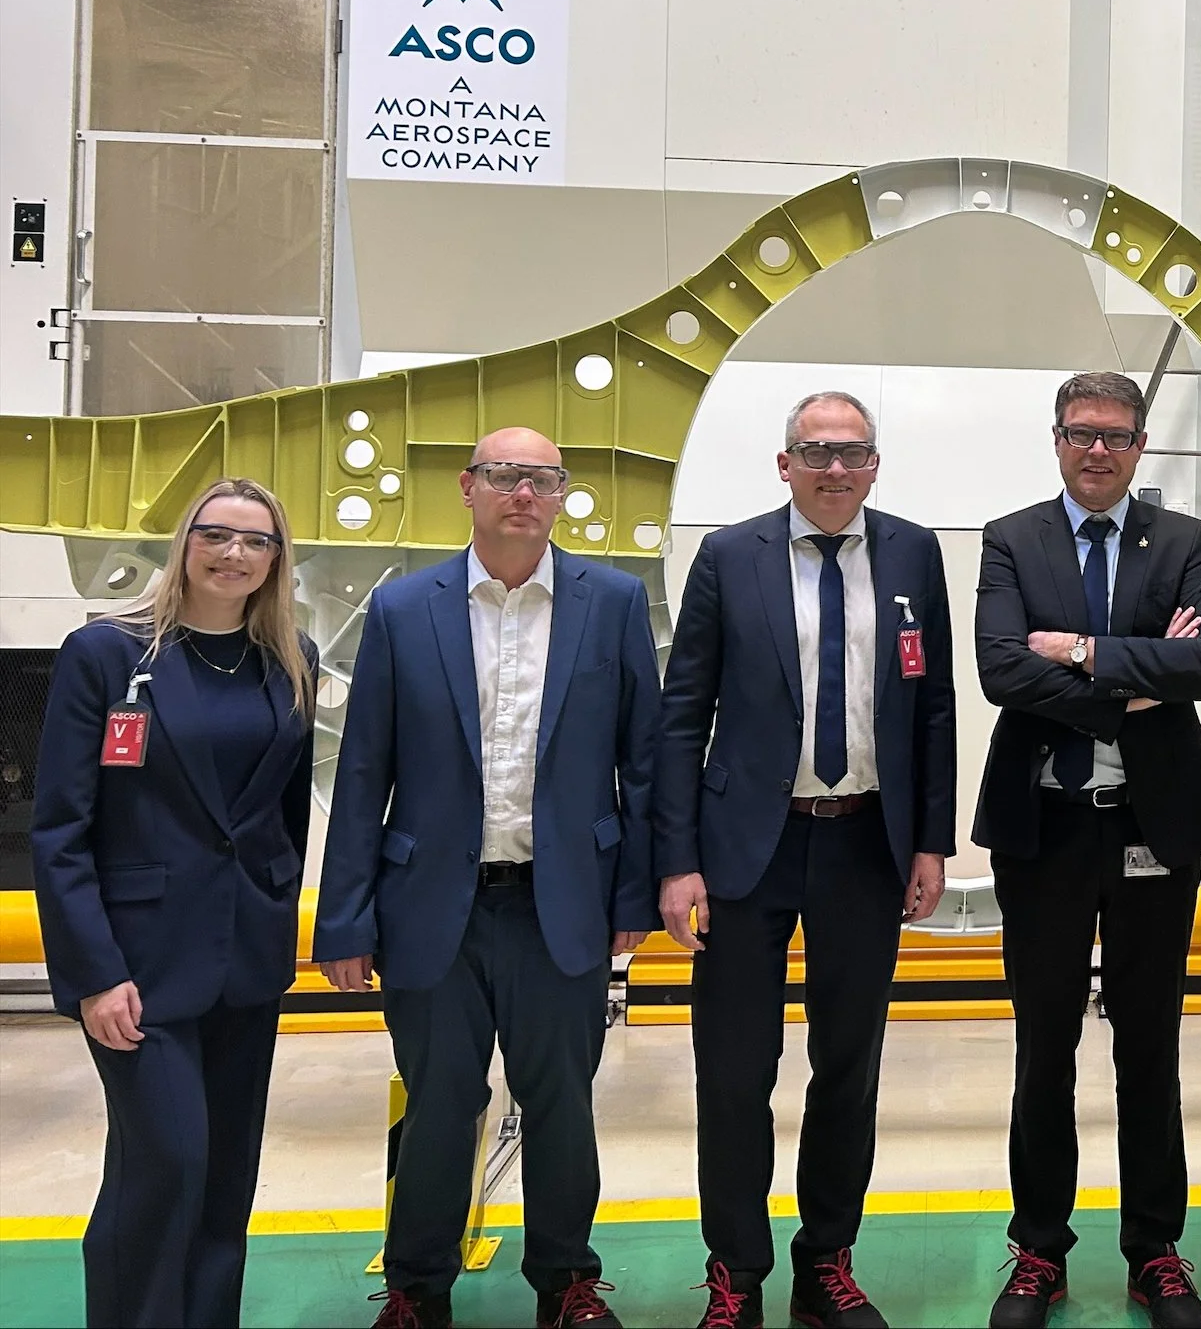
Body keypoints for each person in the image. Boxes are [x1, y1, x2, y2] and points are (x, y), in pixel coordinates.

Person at [315, 428, 660, 1329]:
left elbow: (643, 763)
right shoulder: (403, 609)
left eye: (542, 478)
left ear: (562, 495)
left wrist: (634, 894)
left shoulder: (613, 603)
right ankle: (416, 1287)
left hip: (561, 901)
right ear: (468, 487)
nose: (524, 493)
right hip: (433, 904)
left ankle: (566, 1280)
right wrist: (345, 917)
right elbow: (364, 770)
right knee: (438, 1102)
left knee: (561, 1104)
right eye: (505, 476)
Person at [656, 392, 956, 1329]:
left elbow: (934, 706)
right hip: (746, 847)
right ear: (784, 464)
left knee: (848, 1066)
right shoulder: (727, 556)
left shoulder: (913, 554)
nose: (835, 469)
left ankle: (826, 1260)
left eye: (852, 453)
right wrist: (678, 858)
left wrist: (931, 840)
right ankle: (735, 1274)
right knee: (734, 1070)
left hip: (866, 841)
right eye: (816, 452)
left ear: (875, 466)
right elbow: (682, 715)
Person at [973, 371, 1201, 1329]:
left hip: (1152, 825)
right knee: (1044, 1043)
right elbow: (1001, 669)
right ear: (1057, 439)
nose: (1097, 450)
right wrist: (1133, 686)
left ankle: (1154, 1250)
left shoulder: (1183, 540)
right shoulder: (1013, 538)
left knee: (1149, 1042)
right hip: (1044, 829)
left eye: (1116, 436)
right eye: (1082, 432)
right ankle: (1039, 1249)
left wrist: (1078, 652)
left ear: (1139, 445)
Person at [32, 479, 317, 1328]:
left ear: (277, 558)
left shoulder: (289, 657)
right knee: (166, 1162)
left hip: (247, 956)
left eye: (256, 541)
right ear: (185, 540)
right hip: (139, 966)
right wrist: (93, 972)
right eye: (216, 534)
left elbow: (283, 814)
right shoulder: (108, 655)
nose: (234, 554)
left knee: (226, 1176)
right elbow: (61, 827)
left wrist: (276, 906)